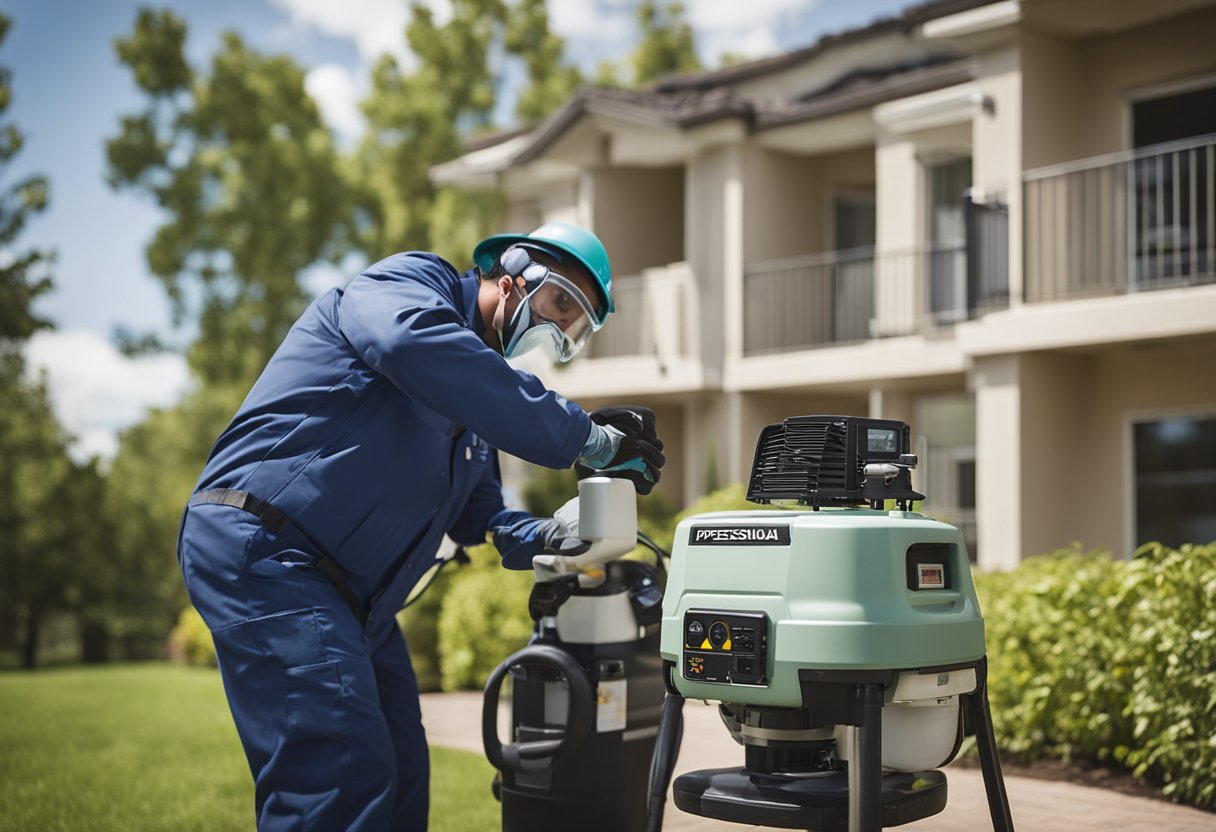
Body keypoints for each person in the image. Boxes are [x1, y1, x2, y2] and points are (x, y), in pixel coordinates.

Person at [176, 221, 665, 832]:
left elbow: (480, 517)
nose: (557, 330)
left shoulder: (474, 407)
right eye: (560, 303)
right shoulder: (410, 284)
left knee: (403, 772)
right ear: (514, 271)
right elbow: (410, 346)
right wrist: (585, 438)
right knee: (340, 773)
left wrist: (550, 534)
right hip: (265, 546)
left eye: (575, 328)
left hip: (354, 598)